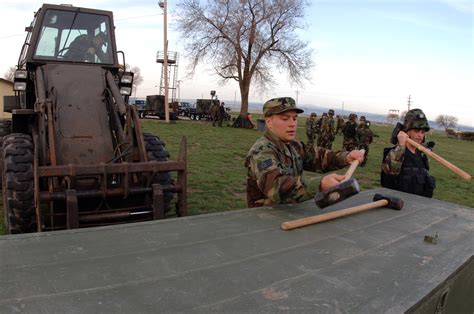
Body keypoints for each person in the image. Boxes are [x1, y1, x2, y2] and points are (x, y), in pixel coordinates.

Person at [245, 97, 365, 208]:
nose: (292, 123)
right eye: (285, 118)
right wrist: (319, 184)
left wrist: (347, 156)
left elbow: (320, 156)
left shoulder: (293, 145)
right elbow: (275, 187)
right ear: (269, 122)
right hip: (263, 218)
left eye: (295, 118)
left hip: (289, 212)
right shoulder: (261, 151)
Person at [381, 108, 436, 198]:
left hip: (418, 206)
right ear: (406, 131)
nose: (420, 135)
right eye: (416, 131)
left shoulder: (421, 154)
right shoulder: (394, 153)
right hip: (399, 206)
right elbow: (391, 173)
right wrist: (401, 145)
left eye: (422, 132)